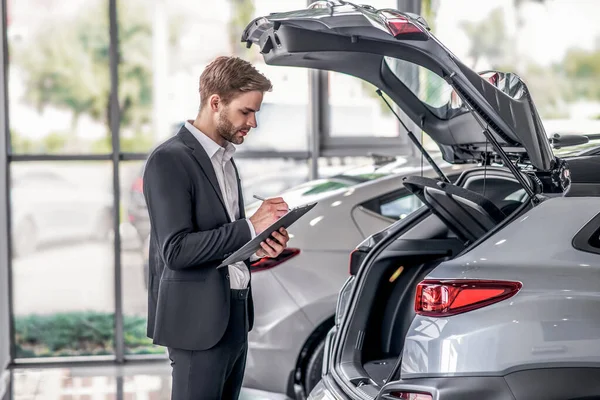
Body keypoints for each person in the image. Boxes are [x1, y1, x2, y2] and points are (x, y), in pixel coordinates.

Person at [142, 56, 290, 399]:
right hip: (197, 324)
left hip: (233, 316)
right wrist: (250, 226)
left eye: (256, 113)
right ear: (215, 103)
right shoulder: (169, 160)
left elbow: (222, 242)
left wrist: (260, 243)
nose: (252, 123)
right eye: (246, 112)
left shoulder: (226, 162)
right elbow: (176, 251)